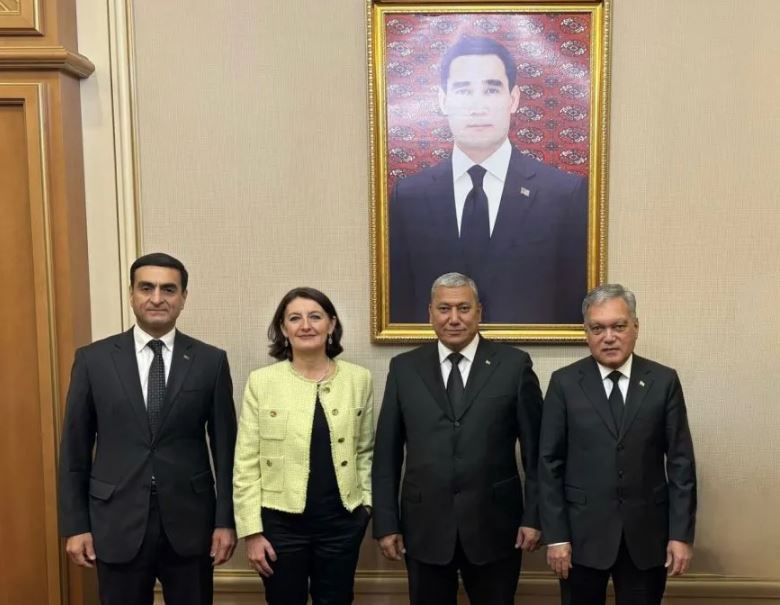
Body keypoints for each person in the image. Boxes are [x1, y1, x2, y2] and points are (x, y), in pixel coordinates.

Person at [58, 252, 237, 605]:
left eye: (169, 289)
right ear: (131, 294)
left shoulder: (210, 361)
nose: (157, 298)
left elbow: (226, 449)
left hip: (191, 524)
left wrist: (225, 521)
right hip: (116, 521)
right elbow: (74, 451)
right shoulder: (93, 360)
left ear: (183, 298)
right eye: (146, 288)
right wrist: (76, 525)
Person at [389, 35, 588, 325]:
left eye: (491, 90)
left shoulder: (563, 195)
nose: (478, 106)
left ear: (514, 99)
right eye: (463, 90)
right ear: (443, 100)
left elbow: (572, 307)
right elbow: (401, 303)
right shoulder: (408, 197)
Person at [372, 272, 543, 605]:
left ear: (479, 312)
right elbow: (386, 455)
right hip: (424, 528)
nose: (454, 318)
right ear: (430, 313)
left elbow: (536, 453)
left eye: (463, 308)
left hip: (496, 526)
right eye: (444, 308)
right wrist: (387, 523)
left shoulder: (514, 365)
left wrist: (534, 517)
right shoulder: (404, 368)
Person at [539, 284, 697, 605]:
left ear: (635, 327)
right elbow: (549, 464)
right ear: (586, 333)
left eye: (618, 326)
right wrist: (556, 537)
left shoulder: (663, 381)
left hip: (646, 538)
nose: (608, 337)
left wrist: (680, 535)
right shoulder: (564, 383)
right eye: (597, 328)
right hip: (581, 539)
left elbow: (681, 463)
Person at [233, 287, 374, 604]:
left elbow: (365, 450)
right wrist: (252, 532)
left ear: (331, 324)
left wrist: (365, 506)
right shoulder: (262, 381)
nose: (306, 325)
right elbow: (246, 461)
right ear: (283, 328)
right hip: (279, 525)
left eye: (315, 317)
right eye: (295, 318)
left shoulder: (359, 379)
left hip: (342, 523)